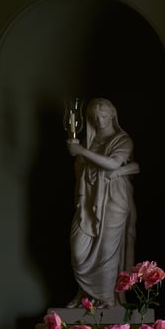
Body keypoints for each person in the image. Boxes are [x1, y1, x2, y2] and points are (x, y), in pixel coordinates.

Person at [66, 98, 139, 307]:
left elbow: (113, 163)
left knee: (108, 250)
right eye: (95, 117)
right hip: (89, 199)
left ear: (112, 116)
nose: (99, 120)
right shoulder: (89, 141)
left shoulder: (122, 140)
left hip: (114, 198)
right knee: (79, 250)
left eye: (104, 116)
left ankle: (107, 299)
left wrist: (81, 152)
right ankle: (86, 294)